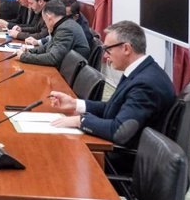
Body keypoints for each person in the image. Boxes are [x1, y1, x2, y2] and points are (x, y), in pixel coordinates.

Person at [49, 20, 176, 149]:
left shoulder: (145, 85)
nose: (105, 55)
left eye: (108, 49)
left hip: (125, 157)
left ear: (126, 48)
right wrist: (75, 104)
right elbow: (113, 108)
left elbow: (119, 131)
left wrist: (80, 121)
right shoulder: (142, 70)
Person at [17, 0, 90, 67]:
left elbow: (53, 58)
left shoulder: (65, 29)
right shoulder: (64, 24)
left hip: (70, 73)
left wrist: (24, 57)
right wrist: (30, 51)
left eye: (45, 21)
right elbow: (49, 45)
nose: (46, 24)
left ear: (49, 18)